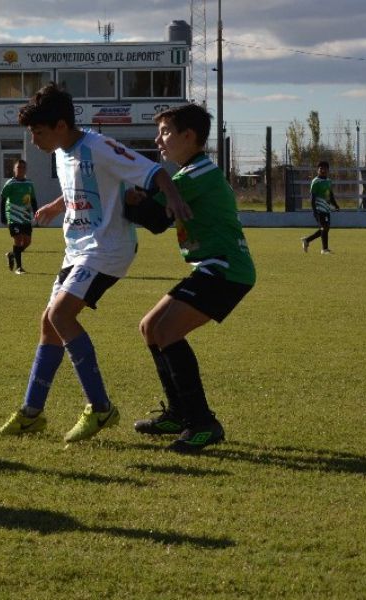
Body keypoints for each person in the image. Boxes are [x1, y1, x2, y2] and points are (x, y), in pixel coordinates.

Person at [0, 82, 190, 444]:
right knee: (49, 324)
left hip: (106, 249)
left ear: (61, 126)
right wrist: (56, 206)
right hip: (77, 248)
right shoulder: (61, 151)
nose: (34, 140)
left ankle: (100, 408)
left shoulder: (100, 147)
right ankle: (32, 413)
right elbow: (80, 191)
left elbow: (155, 172)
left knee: (60, 316)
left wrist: (174, 201)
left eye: (38, 132)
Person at [128, 104, 256, 453]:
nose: (159, 140)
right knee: (150, 327)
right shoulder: (190, 174)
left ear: (189, 136)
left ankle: (203, 423)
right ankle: (178, 413)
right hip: (211, 268)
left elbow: (153, 219)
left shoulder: (195, 175)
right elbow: (154, 216)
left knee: (167, 332)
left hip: (226, 269)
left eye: (166, 132)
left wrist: (125, 193)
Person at [0, 158, 38, 274]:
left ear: (25, 170)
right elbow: (3, 199)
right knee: (18, 239)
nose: (21, 169)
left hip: (26, 217)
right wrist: (3, 216)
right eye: (18, 167)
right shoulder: (10, 183)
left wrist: (37, 213)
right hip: (13, 216)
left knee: (27, 242)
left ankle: (12, 254)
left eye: (23, 167)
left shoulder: (29, 183)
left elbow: (33, 200)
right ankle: (19, 268)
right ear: (14, 170)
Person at [301, 160, 339, 254]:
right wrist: (314, 211)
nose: (322, 170)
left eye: (325, 168)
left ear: (328, 170)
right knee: (324, 227)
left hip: (326, 209)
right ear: (318, 170)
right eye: (320, 168)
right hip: (319, 209)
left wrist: (335, 205)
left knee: (325, 228)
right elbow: (312, 198)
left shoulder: (328, 181)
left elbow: (330, 195)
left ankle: (307, 240)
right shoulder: (315, 182)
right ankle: (324, 249)